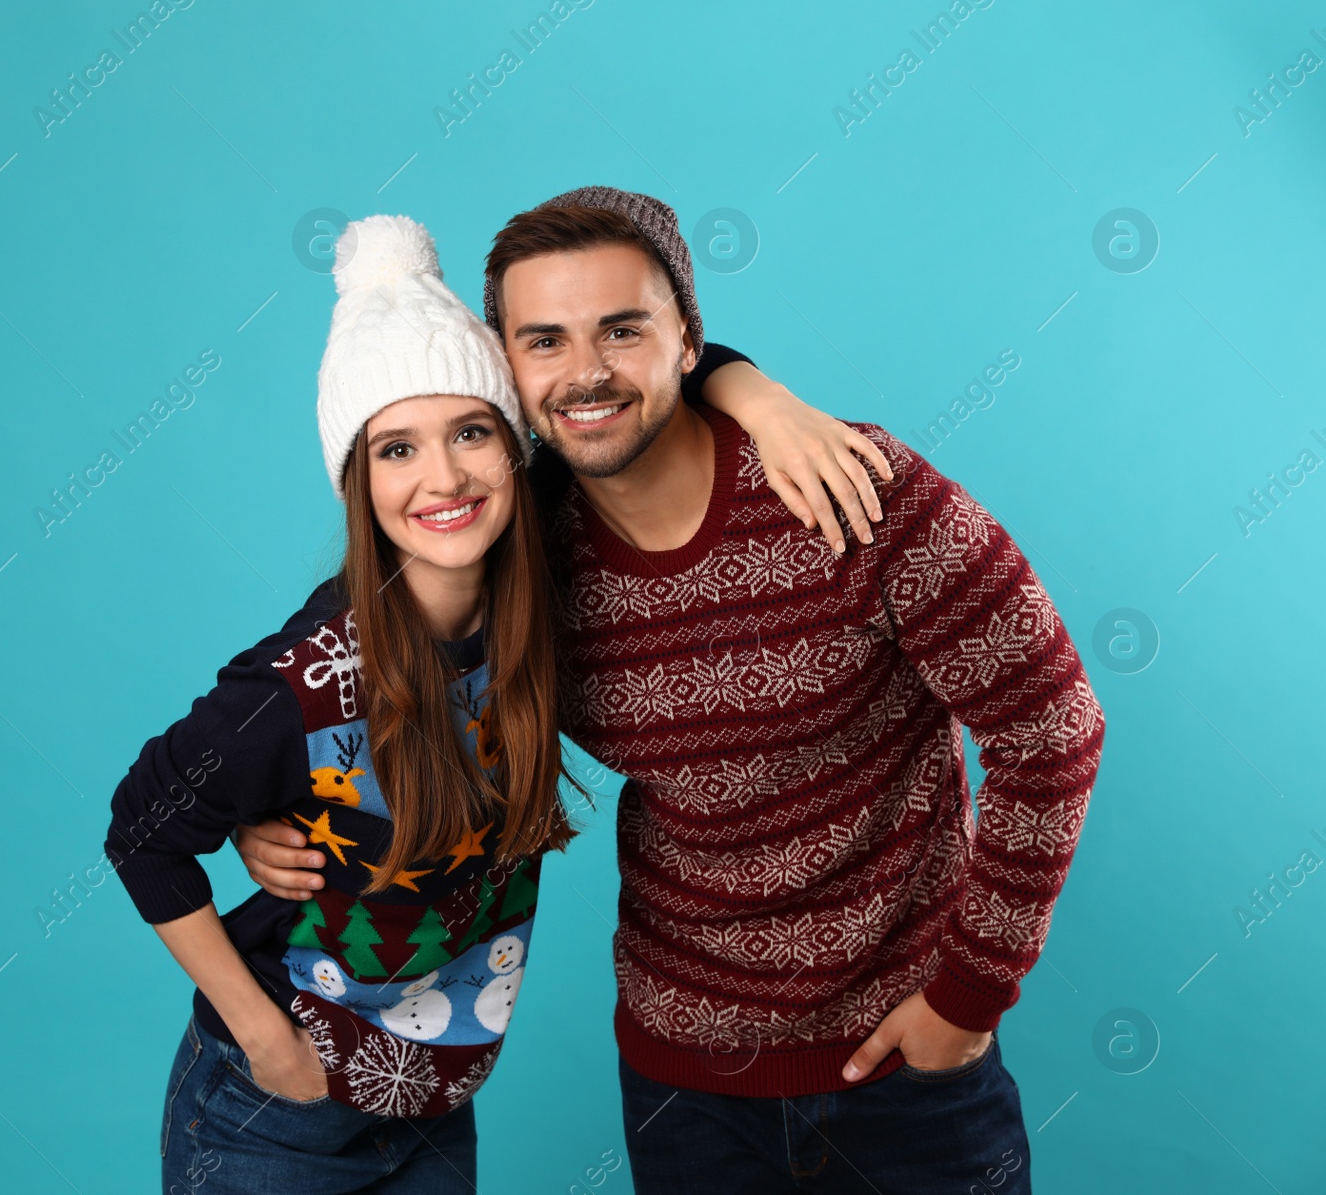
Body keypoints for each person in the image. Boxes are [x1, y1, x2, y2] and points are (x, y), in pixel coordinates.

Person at [241, 188, 1106, 1194]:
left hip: (906, 1067)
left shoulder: (849, 487)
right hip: (681, 1080)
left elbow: (1051, 730)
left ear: (687, 338)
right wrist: (276, 809)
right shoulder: (517, 545)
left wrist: (970, 993)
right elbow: (368, 663)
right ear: (505, 368)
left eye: (622, 328)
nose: (585, 370)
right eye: (544, 340)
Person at [105, 211, 884, 1195]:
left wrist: (762, 401)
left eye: (471, 432)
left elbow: (634, 379)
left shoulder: (544, 592)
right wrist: (264, 1034)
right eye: (394, 450)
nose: (443, 477)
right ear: (355, 478)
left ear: (513, 449)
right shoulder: (301, 680)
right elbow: (143, 830)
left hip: (432, 1096)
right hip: (279, 1101)